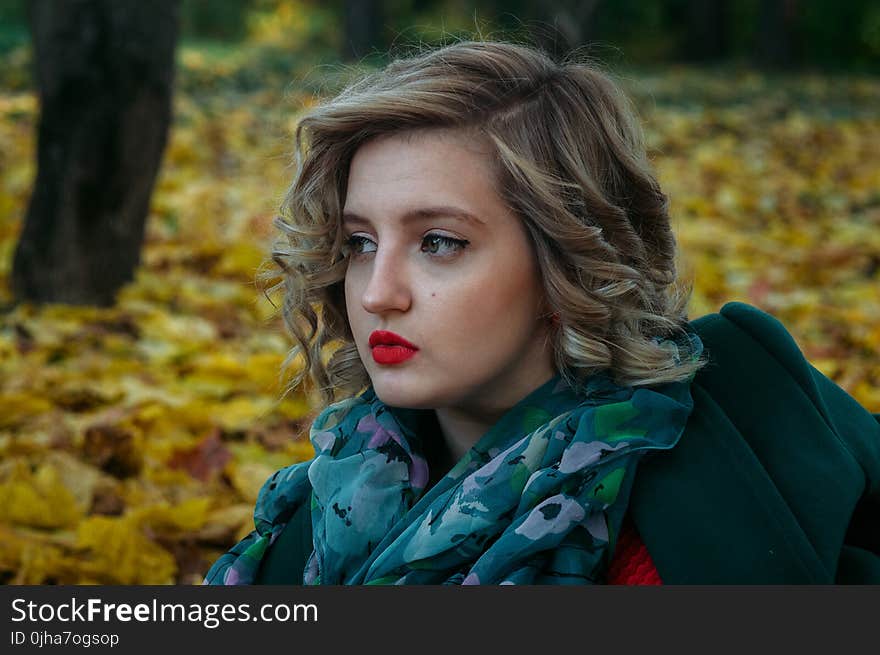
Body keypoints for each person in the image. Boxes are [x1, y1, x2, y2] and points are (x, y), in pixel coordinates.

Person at [204, 40, 880, 585]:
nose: (377, 292)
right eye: (360, 242)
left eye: (439, 242)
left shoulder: (663, 544)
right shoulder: (337, 490)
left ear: (569, 259)